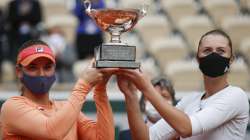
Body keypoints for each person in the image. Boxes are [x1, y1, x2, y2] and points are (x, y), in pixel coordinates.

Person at [117, 29, 249, 140]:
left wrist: (146, 88)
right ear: (198, 59)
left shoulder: (236, 95)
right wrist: (130, 95)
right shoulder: (189, 100)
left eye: (221, 51)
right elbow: (147, 138)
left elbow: (186, 128)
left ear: (231, 59)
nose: (214, 55)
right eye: (207, 51)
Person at [0, 40, 115, 140]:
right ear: (19, 72)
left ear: (55, 69)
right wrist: (83, 84)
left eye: (47, 67)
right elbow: (51, 132)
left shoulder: (66, 108)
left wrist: (100, 89)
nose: (41, 74)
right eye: (32, 67)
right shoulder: (12, 106)